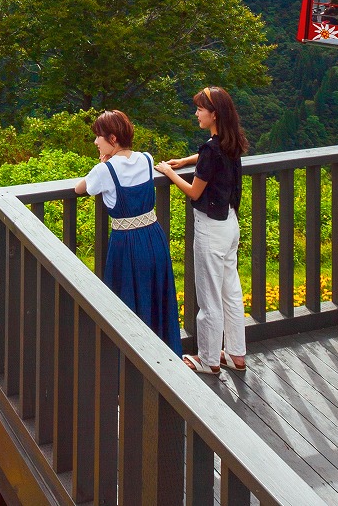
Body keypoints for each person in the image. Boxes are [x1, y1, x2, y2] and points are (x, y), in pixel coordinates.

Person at [155, 86, 248, 375]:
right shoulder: (231, 142)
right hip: (230, 224)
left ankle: (208, 360)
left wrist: (170, 173)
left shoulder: (212, 148)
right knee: (230, 292)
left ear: (214, 114)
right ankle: (236, 355)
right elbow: (210, 157)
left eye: (200, 109)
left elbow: (195, 192)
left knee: (209, 298)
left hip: (211, 228)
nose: (196, 113)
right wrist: (185, 161)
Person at [75, 110, 183, 356]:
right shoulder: (146, 158)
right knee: (156, 296)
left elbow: (79, 187)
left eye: (98, 137)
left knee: (126, 303)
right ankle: (165, 357)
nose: (95, 142)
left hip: (126, 243)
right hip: (154, 237)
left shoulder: (105, 170)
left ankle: (130, 364)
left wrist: (101, 165)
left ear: (112, 139)